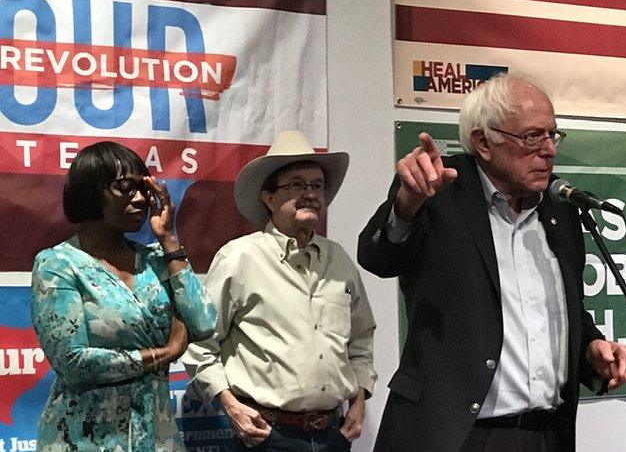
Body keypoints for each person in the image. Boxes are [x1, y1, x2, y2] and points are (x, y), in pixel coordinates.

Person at [358, 73, 626, 451]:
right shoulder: (439, 190)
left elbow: (567, 311)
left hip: (546, 435)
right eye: (532, 137)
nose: (550, 150)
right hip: (456, 436)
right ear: (483, 142)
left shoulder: (560, 210)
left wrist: (591, 348)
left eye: (553, 135)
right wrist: (407, 204)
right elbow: (379, 258)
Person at [183, 130, 376, 451]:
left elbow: (361, 339)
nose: (310, 193)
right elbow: (201, 342)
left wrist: (359, 398)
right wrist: (231, 406)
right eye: (297, 184)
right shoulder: (239, 258)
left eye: (317, 185)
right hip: (264, 435)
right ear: (268, 198)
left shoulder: (339, 260)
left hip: (333, 434)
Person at [31, 141, 217, 451]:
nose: (142, 198)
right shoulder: (59, 263)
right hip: (84, 439)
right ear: (91, 191)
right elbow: (72, 362)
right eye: (125, 187)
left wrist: (169, 239)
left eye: (145, 188)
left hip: (157, 438)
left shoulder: (157, 260)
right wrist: (165, 353)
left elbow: (204, 322)